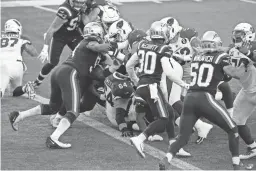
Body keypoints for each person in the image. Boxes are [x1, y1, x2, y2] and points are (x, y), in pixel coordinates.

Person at [9, 22, 116, 149]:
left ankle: (19, 115)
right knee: (73, 111)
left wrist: (119, 60)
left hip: (61, 72)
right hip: (71, 73)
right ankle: (54, 138)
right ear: (98, 33)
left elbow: (111, 62)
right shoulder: (90, 41)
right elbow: (97, 47)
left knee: (53, 107)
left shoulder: (94, 52)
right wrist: (115, 45)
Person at [159, 31, 241, 170]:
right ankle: (237, 166)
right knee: (233, 130)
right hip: (205, 97)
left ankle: (167, 159)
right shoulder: (221, 57)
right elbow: (234, 73)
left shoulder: (197, 56)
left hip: (190, 97)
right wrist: (245, 64)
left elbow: (214, 69)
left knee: (183, 137)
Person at [126, 21, 190, 158]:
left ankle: (175, 146)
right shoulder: (164, 49)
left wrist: (136, 81)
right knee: (164, 118)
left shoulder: (143, 45)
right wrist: (184, 84)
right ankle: (140, 139)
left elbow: (129, 65)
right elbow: (169, 73)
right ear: (165, 34)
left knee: (171, 113)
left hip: (142, 86)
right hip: (152, 88)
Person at [33, 0, 88, 87]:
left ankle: (83, 81)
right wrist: (45, 48)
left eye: (81, 3)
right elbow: (52, 29)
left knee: (84, 55)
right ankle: (38, 80)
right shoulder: (65, 10)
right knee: (52, 62)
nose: (79, 5)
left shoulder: (83, 4)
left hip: (74, 34)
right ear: (72, 0)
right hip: (60, 37)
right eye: (76, 3)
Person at [225, 23, 256, 160]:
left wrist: (248, 53)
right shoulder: (232, 49)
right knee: (237, 120)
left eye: (240, 33)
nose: (237, 36)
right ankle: (253, 147)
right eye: (236, 33)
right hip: (247, 90)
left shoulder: (253, 47)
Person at [1, 19, 37, 98]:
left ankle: (5, 84)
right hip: (18, 66)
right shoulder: (22, 38)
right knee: (15, 91)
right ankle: (26, 88)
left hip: (3, 66)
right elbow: (33, 53)